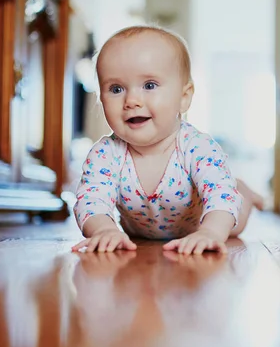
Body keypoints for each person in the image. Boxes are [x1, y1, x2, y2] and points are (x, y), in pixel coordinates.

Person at [72, 25, 263, 255]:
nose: (131, 100)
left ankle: (247, 193)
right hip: (140, 232)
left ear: (184, 97)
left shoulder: (197, 147)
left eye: (149, 85)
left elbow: (221, 196)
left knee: (235, 210)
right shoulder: (105, 154)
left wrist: (210, 232)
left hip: (202, 221)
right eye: (116, 88)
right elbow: (91, 199)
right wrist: (103, 230)